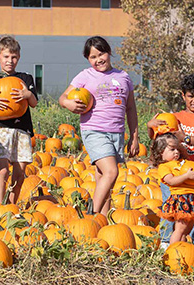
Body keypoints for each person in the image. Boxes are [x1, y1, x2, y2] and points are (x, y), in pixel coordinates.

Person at [59, 36, 139, 215]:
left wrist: (134, 137)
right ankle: (91, 214)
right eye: (93, 57)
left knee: (104, 179)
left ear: (109, 52)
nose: (98, 60)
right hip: (94, 130)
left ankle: (101, 223)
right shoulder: (85, 75)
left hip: (116, 133)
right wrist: (69, 104)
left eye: (101, 54)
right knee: (111, 172)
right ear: (88, 59)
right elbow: (63, 98)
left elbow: (131, 108)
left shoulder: (123, 77)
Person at [147, 73, 194, 248]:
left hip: (192, 172)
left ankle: (188, 243)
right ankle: (165, 241)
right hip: (172, 170)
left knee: (190, 209)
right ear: (183, 95)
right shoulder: (174, 117)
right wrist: (150, 127)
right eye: (190, 96)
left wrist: (185, 138)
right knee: (169, 205)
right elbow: (158, 138)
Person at [0, 35, 38, 204]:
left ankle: (11, 205)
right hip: (0, 128)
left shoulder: (25, 78)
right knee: (3, 169)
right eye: (6, 57)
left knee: (19, 172)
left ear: (18, 58)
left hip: (22, 129)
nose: (10, 61)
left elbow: (33, 103)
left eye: (14, 57)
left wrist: (27, 94)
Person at [150, 132, 194, 244]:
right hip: (181, 200)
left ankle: (183, 246)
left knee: (186, 230)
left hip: (192, 199)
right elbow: (171, 181)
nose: (176, 152)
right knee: (180, 229)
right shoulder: (164, 167)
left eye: (177, 149)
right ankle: (173, 248)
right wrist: (186, 176)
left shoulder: (183, 163)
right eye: (172, 150)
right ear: (161, 153)